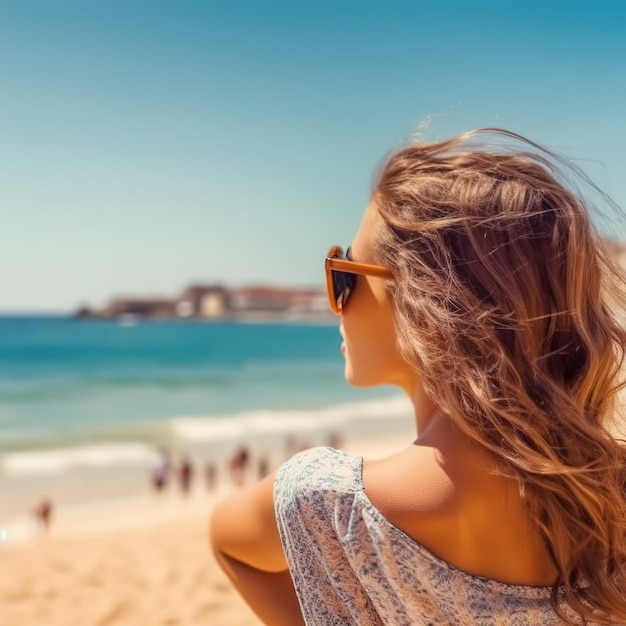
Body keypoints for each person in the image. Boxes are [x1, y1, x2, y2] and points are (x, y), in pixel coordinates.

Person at [210, 129, 626, 625]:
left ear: (420, 301)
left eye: (345, 274)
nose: (336, 303)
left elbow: (228, 542)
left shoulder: (330, 504)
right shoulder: (608, 495)